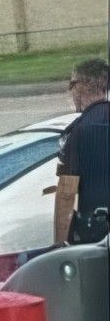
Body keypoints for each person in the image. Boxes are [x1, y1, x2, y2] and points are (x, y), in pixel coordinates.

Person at [54, 57, 109, 246]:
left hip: (96, 235)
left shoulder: (78, 131)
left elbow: (67, 191)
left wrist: (59, 244)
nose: (71, 92)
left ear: (84, 86)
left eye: (72, 84)